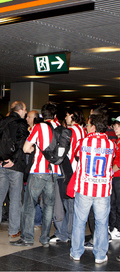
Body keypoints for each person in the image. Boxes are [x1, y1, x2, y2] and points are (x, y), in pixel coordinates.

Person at [12, 102, 61, 247]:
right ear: (55, 115)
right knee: (48, 205)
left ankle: (27, 238)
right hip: (53, 172)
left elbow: (26, 148)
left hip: (38, 171)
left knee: (29, 205)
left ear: (42, 116)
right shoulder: (60, 129)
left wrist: (35, 148)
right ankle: (45, 238)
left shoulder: (38, 127)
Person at [70, 114, 115, 264]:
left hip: (84, 187)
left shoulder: (83, 142)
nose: (86, 127)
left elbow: (77, 155)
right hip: (102, 189)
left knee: (79, 221)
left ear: (94, 126)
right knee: (102, 223)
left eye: (88, 125)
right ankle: (100, 255)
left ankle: (76, 252)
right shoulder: (111, 144)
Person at [0, 101, 28, 237]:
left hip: (0, 164)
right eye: (25, 110)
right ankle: (13, 230)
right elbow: (21, 143)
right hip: (15, 166)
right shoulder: (21, 123)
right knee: (15, 198)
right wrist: (14, 159)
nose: (26, 112)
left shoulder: (0, 122)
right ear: (20, 110)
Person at [49, 107, 86, 244]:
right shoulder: (83, 130)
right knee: (72, 205)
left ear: (73, 116)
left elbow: (65, 151)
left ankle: (65, 233)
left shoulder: (70, 131)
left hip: (68, 170)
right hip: (78, 171)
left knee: (66, 204)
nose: (66, 118)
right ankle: (69, 232)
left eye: (67, 115)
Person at [110, 116, 120, 240]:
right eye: (115, 125)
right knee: (113, 203)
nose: (115, 128)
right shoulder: (117, 141)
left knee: (117, 203)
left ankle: (117, 228)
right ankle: (114, 227)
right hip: (115, 176)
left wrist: (113, 170)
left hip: (118, 176)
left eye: (118, 126)